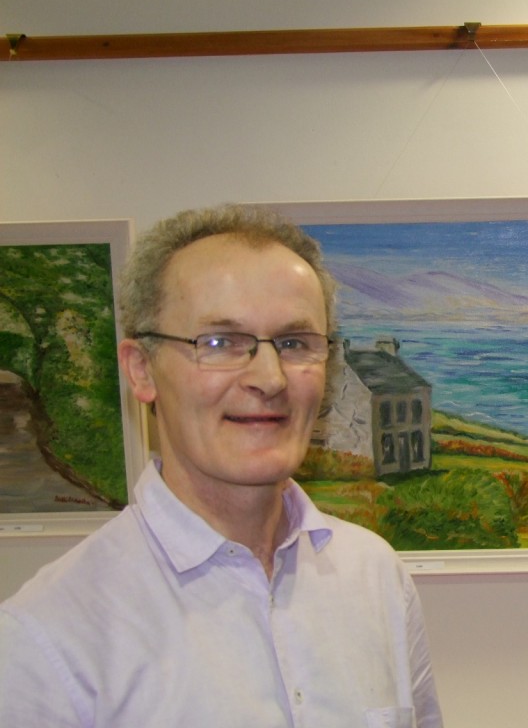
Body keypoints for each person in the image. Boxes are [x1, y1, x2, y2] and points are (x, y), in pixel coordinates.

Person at [0, 204, 444, 727]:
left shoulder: (376, 577)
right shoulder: (46, 639)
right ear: (141, 371)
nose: (269, 377)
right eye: (219, 342)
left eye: (295, 343)